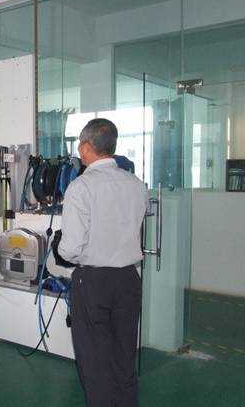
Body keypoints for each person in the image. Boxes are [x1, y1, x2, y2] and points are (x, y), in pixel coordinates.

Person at [56, 118, 148, 407]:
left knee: (95, 361)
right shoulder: (136, 185)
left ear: (86, 147)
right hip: (128, 280)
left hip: (94, 282)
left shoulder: (81, 187)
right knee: (124, 357)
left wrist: (60, 248)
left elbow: (71, 249)